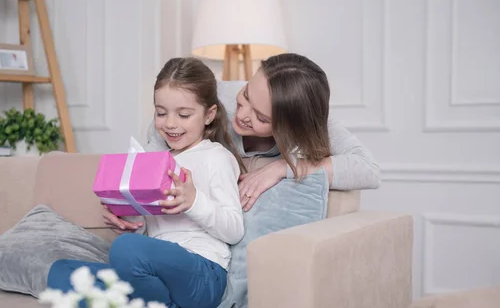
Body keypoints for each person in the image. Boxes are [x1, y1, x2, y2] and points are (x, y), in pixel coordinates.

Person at [47, 57, 245, 308]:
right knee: (59, 273)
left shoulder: (215, 157)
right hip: (158, 271)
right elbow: (151, 232)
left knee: (126, 249)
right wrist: (128, 218)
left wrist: (194, 201)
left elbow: (234, 229)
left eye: (184, 115)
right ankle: (151, 305)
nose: (170, 123)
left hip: (203, 274)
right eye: (161, 113)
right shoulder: (151, 159)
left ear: (209, 115)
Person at [147, 52, 381, 211]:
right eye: (246, 95)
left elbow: (368, 169)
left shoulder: (315, 121)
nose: (242, 115)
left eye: (261, 117)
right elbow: (165, 123)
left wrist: (285, 167)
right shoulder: (222, 95)